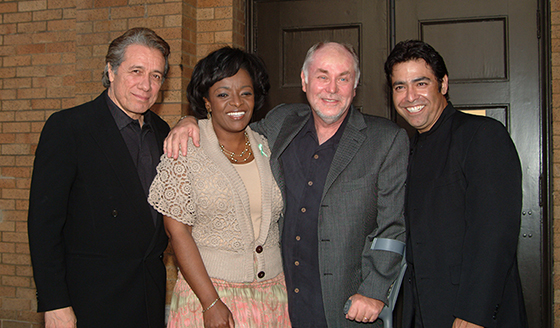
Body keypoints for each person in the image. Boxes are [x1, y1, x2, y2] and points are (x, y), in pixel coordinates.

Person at [165, 41, 408, 327]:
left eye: (343, 78)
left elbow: (393, 227)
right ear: (304, 81)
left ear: (354, 87)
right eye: (322, 76)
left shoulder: (386, 140)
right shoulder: (281, 123)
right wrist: (188, 119)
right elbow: (227, 123)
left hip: (346, 305)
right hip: (282, 303)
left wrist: (375, 291)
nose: (332, 88)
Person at [28, 27, 171, 328]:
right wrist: (54, 303)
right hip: (90, 301)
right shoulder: (70, 128)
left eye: (156, 75)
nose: (146, 85)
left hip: (148, 296)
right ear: (111, 70)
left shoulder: (163, 132)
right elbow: (44, 225)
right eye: (136, 71)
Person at [384, 40, 528, 328]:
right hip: (423, 311)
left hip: (472, 315)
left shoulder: (482, 135)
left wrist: (474, 313)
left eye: (421, 83)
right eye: (400, 86)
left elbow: (495, 233)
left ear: (444, 84)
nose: (410, 96)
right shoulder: (408, 148)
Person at [148, 47, 290, 328]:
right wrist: (210, 302)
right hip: (209, 299)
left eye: (245, 93)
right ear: (207, 100)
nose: (236, 102)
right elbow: (176, 231)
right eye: (223, 94)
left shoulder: (268, 145)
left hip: (273, 298)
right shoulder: (186, 149)